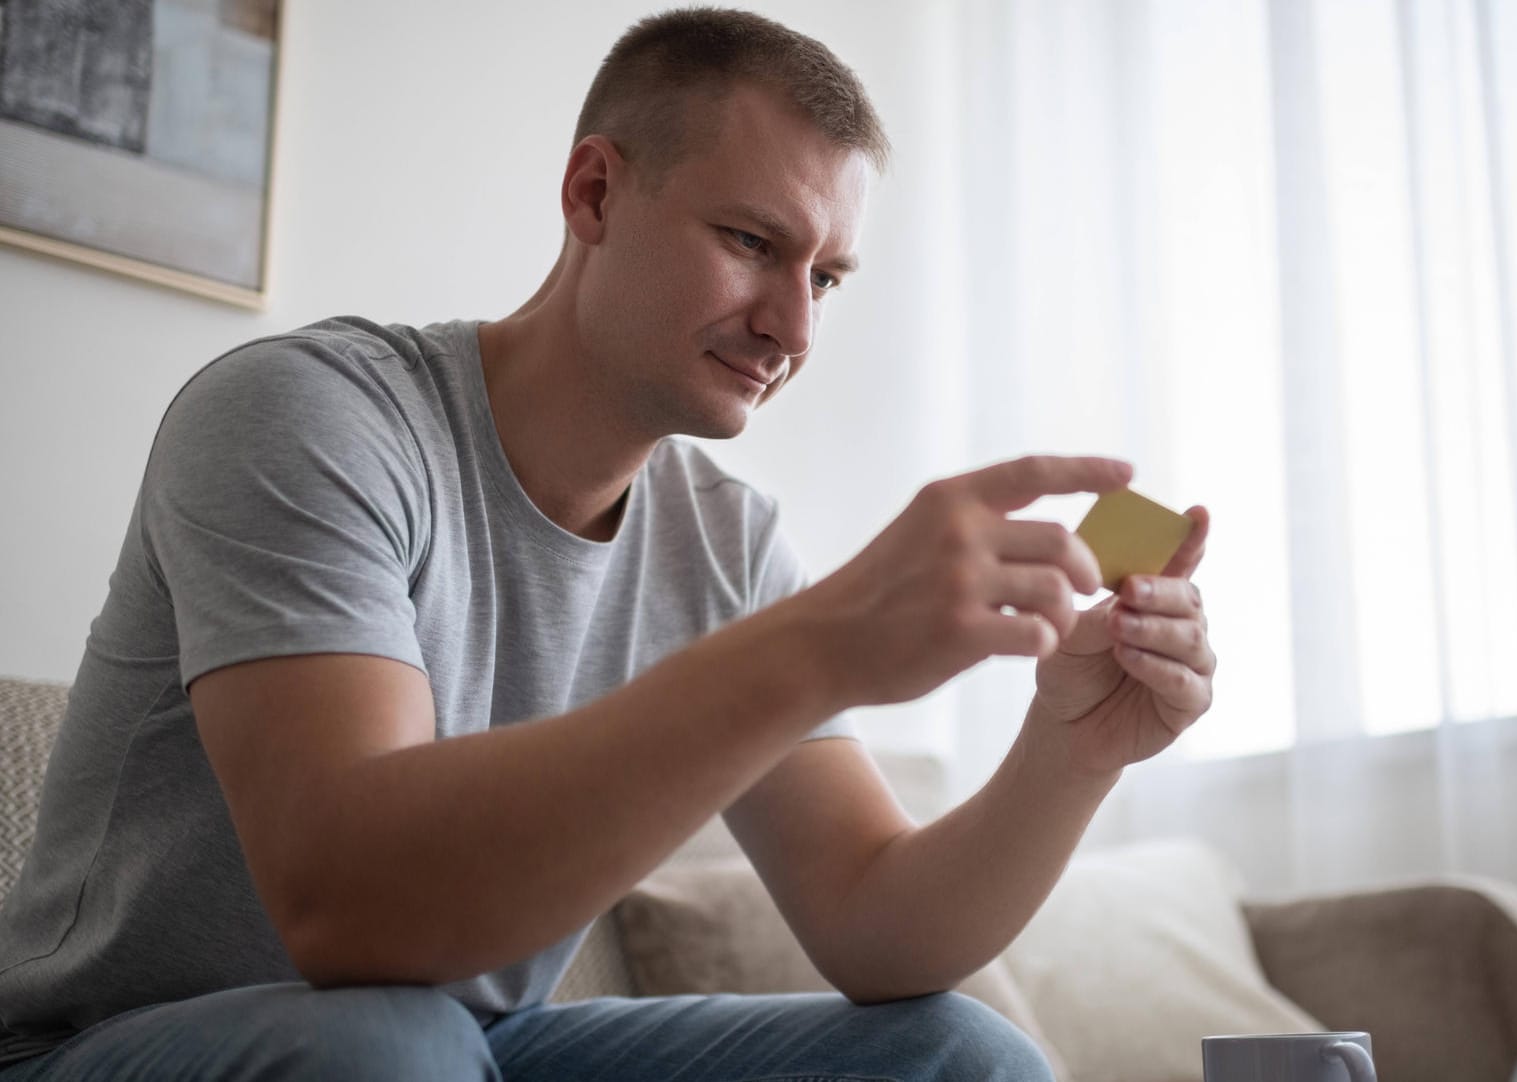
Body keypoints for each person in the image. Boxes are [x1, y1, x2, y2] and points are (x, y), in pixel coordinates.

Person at [0, 8, 1216, 1080]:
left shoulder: (726, 541)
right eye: (752, 241)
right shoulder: (308, 414)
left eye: (828, 278)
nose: (792, 325)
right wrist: (817, 648)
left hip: (460, 1044)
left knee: (960, 1054)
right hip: (129, 1042)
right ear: (593, 193)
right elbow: (346, 911)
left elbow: (874, 923)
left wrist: (1070, 747)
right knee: (385, 1041)